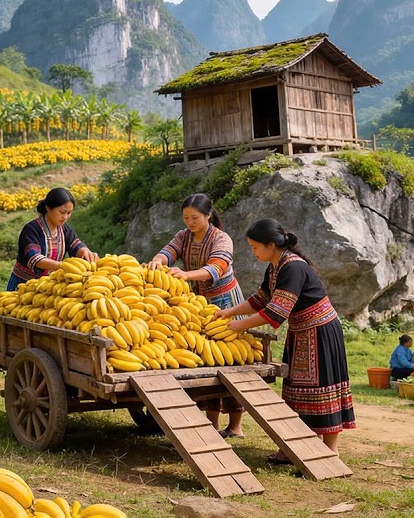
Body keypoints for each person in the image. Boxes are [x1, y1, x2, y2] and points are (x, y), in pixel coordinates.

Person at [214, 219, 355, 461]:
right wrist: (229, 312)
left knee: (322, 390)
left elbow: (276, 311)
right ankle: (292, 447)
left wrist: (238, 325)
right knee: (296, 391)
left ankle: (330, 449)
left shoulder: (292, 268)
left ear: (271, 245)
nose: (253, 251)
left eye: (255, 247)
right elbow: (260, 300)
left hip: (320, 332)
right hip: (301, 333)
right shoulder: (275, 266)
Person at [147, 193, 246, 439]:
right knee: (207, 358)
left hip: (225, 301)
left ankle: (235, 425)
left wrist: (187, 275)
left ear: (208, 215)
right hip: (198, 304)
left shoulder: (221, 239)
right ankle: (211, 422)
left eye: (195, 217)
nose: (190, 222)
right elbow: (167, 252)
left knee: (231, 360)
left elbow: (217, 267)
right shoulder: (184, 236)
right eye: (186, 218)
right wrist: (157, 261)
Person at [7, 187, 99, 290]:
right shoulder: (32, 230)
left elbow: (75, 245)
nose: (65, 217)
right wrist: (63, 265)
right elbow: (35, 259)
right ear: (48, 208)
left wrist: (85, 251)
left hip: (49, 285)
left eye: (69, 213)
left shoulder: (64, 229)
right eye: (62, 212)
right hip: (24, 284)